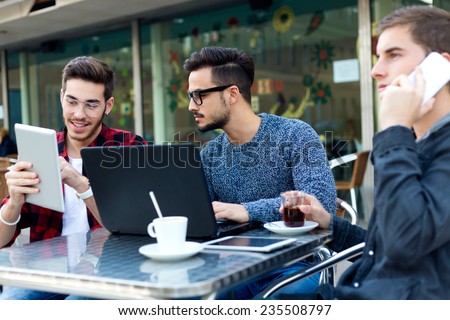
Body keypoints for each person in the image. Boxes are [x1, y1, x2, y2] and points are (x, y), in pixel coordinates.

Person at [284, 5, 450, 299]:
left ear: (441, 66)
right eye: (377, 57)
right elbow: (386, 253)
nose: (375, 71)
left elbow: (406, 239)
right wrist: (331, 225)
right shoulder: (419, 144)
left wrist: (394, 128)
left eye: (393, 55)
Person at [183, 46, 336, 298]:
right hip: (231, 267)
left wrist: (247, 210)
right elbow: (203, 219)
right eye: (190, 95)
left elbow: (321, 204)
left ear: (232, 94)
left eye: (199, 95)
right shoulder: (210, 154)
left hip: (292, 266)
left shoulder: (295, 134)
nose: (191, 106)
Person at [0, 56, 146, 299]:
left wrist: (80, 183)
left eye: (91, 104)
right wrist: (14, 202)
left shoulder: (128, 147)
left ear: (107, 106)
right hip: (47, 272)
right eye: (72, 102)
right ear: (61, 97)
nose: (79, 114)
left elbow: (134, 229)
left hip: (108, 270)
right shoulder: (41, 150)